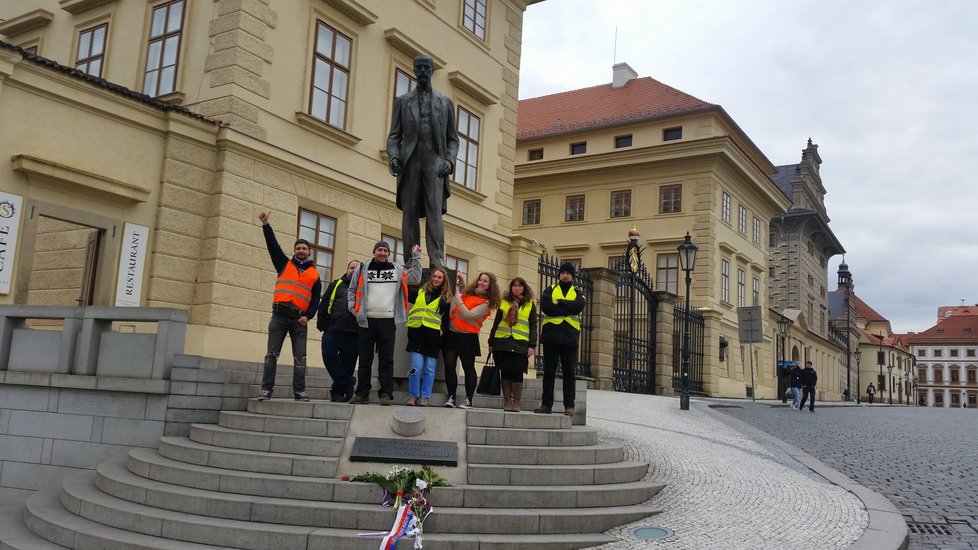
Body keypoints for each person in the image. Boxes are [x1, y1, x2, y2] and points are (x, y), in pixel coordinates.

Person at [386, 55, 460, 268]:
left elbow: (453, 139)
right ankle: (411, 262)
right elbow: (394, 136)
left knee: (434, 213)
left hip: (435, 163)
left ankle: (437, 261)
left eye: (426, 68)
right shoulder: (403, 101)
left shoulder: (445, 102)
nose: (423, 71)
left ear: (432, 71)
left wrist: (449, 160)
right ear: (414, 71)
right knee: (409, 212)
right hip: (411, 162)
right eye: (419, 68)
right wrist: (394, 156)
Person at [256, 212, 321, 402]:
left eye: (304, 248)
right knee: (271, 355)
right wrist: (266, 225)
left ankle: (299, 391)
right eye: (298, 248)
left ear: (309, 252)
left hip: (298, 319)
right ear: (294, 251)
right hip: (279, 316)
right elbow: (273, 246)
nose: (301, 251)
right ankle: (266, 390)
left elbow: (315, 300)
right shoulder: (284, 264)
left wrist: (307, 317)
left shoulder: (315, 275)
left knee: (300, 358)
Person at [348, 241, 422, 405]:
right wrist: (353, 309)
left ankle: (386, 394)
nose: (382, 253)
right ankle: (362, 394)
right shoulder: (362, 268)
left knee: (386, 359)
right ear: (374, 252)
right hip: (366, 321)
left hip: (388, 321)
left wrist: (416, 256)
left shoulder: (397, 270)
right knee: (365, 360)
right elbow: (352, 290)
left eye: (385, 251)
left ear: (388, 254)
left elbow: (416, 278)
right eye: (379, 250)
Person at [534, 262, 586, 416]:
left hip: (569, 338)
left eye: (568, 273)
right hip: (551, 336)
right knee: (548, 372)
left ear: (572, 276)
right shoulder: (549, 290)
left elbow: (578, 307)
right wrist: (566, 308)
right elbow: (546, 307)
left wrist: (560, 303)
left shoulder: (578, 292)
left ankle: (569, 406)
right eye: (562, 273)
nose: (565, 275)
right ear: (559, 275)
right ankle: (546, 404)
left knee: (569, 373)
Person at [443, 271, 500, 408]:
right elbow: (465, 297)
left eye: (485, 281)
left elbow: (468, 314)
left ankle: (469, 399)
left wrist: (457, 296)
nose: (481, 282)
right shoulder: (469, 293)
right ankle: (451, 397)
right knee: (449, 366)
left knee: (468, 368)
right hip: (452, 334)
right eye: (480, 279)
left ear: (490, 285)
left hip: (468, 337)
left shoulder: (487, 302)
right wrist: (462, 284)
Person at [404, 266, 452, 407]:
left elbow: (446, 320)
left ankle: (425, 396)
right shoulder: (419, 292)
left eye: (439, 277)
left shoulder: (446, 299)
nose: (436, 279)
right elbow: (404, 288)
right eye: (434, 276)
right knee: (415, 367)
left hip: (433, 337)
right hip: (417, 334)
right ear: (431, 278)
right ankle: (413, 396)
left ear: (444, 280)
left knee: (430, 369)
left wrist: (443, 330)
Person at [488, 277, 537, 412]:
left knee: (517, 372)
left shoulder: (529, 304)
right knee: (505, 372)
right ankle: (507, 401)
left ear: (524, 288)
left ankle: (517, 402)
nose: (516, 288)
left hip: (520, 344)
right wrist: (491, 342)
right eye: (514, 286)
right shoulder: (504, 303)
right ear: (511, 288)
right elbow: (496, 322)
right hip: (502, 342)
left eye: (519, 286)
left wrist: (532, 345)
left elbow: (533, 326)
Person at [317, 260, 360, 402]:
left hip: (354, 333)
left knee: (348, 364)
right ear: (347, 269)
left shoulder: (364, 288)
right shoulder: (336, 284)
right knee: (328, 356)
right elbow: (324, 303)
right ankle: (347, 381)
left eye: (357, 268)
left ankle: (337, 393)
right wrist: (322, 324)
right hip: (333, 329)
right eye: (352, 267)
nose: (354, 270)